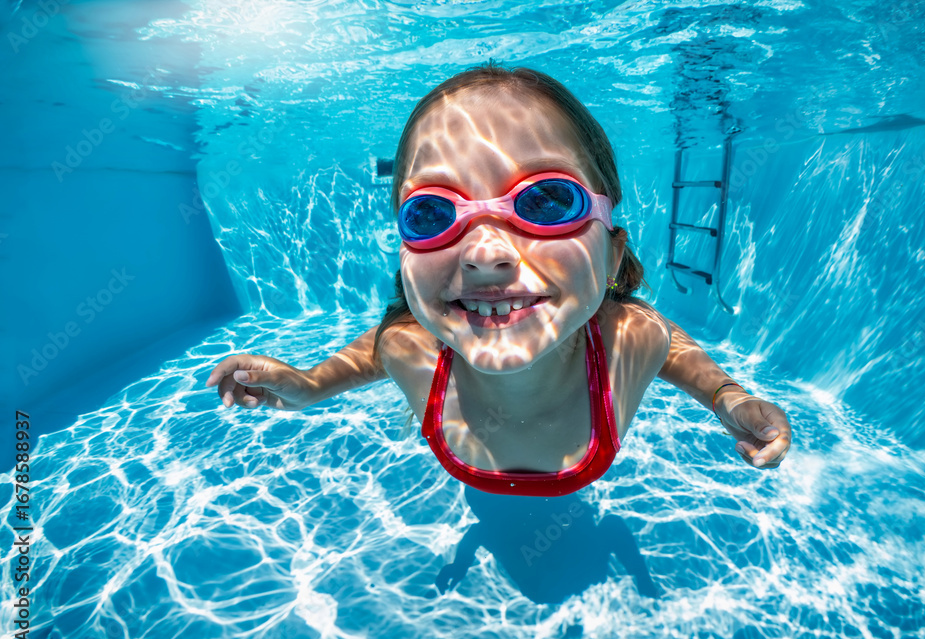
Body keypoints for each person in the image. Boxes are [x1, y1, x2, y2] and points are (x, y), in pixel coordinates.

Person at [205, 62, 792, 497]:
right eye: (432, 213)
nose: (485, 255)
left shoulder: (627, 343)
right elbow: (381, 350)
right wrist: (308, 386)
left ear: (612, 258)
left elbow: (667, 344)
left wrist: (727, 399)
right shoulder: (412, 351)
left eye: (546, 201)